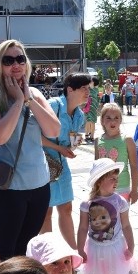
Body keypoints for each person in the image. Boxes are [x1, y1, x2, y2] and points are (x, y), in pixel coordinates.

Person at [0, 40, 61, 261]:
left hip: (38, 185)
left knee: (26, 251)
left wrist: (29, 100)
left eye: (20, 59)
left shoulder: (34, 93)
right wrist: (17, 101)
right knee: (7, 254)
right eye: (8, 60)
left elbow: (53, 130)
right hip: (6, 189)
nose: (15, 65)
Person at [77, 159, 138, 274]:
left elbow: (126, 225)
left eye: (116, 178)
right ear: (100, 180)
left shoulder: (120, 201)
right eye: (112, 178)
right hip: (95, 249)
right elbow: (82, 227)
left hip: (115, 248)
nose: (116, 181)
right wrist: (80, 249)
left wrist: (131, 247)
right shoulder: (87, 204)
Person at [40, 73, 90, 249]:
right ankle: (48, 254)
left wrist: (73, 144)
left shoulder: (79, 115)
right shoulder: (53, 105)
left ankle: (72, 253)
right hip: (43, 165)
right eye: (84, 88)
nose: (87, 92)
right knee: (46, 212)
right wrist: (59, 148)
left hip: (61, 166)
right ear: (70, 89)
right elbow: (35, 136)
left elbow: (68, 141)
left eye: (88, 88)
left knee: (66, 208)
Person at [94, 103, 138, 202]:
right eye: (108, 118)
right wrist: (95, 188)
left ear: (121, 120)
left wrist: (134, 190)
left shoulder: (127, 140)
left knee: (122, 216)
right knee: (105, 216)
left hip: (122, 187)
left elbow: (134, 166)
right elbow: (96, 167)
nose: (112, 121)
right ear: (102, 120)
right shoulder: (98, 140)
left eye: (116, 118)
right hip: (103, 188)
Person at [83, 77, 100, 143]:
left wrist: (98, 107)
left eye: (91, 81)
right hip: (87, 108)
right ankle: (86, 135)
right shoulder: (87, 89)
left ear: (94, 82)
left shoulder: (96, 90)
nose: (89, 82)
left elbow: (98, 99)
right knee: (87, 121)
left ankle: (92, 136)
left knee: (93, 122)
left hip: (94, 108)